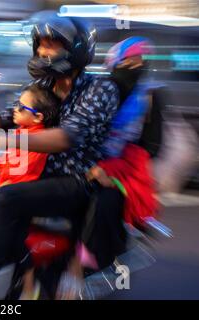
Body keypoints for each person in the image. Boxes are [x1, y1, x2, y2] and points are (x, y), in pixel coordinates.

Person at [0, 11, 120, 299]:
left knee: (6, 197)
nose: (43, 51)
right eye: (40, 44)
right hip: (34, 169)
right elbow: (8, 117)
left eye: (51, 44)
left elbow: (66, 137)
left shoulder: (100, 89)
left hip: (74, 180)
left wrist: (7, 143)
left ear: (76, 50)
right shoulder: (43, 86)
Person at [57, 37, 166, 300]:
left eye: (140, 61)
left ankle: (79, 270)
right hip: (85, 158)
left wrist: (113, 167)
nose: (135, 65)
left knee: (103, 202)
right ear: (115, 62)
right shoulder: (100, 89)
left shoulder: (150, 94)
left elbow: (152, 145)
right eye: (129, 60)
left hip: (124, 167)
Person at [0, 83, 60, 299]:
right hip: (5, 190)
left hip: (18, 199)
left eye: (21, 107)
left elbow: (24, 179)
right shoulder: (20, 132)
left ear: (38, 117)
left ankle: (30, 284)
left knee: (13, 238)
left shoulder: (38, 142)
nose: (15, 109)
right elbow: (4, 162)